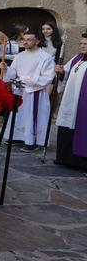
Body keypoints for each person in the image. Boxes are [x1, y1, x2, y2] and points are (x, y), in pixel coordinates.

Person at [2, 30, 57, 152]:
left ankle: (32, 141)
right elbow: (13, 72)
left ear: (37, 41)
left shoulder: (45, 57)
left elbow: (47, 77)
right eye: (24, 39)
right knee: (19, 114)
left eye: (29, 39)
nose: (25, 42)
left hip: (35, 91)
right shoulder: (19, 56)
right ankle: (17, 136)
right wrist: (6, 68)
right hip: (21, 90)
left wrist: (26, 80)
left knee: (33, 116)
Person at [54, 31, 87, 168]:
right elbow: (66, 74)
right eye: (81, 43)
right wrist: (61, 71)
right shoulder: (77, 58)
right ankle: (66, 159)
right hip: (71, 100)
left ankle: (82, 162)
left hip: (83, 103)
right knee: (67, 123)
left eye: (85, 44)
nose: (82, 46)